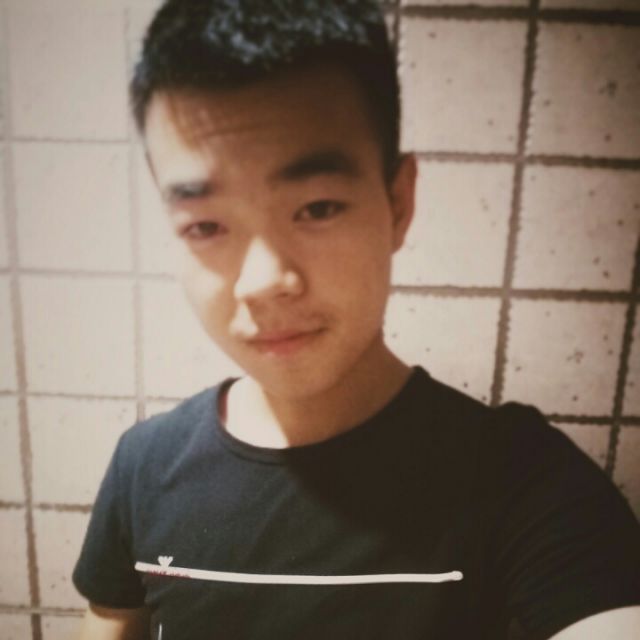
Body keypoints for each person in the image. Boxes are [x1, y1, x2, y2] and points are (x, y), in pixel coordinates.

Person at [73, 1, 640, 638]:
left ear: (398, 203)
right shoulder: (144, 466)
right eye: (205, 225)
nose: (263, 283)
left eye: (317, 208)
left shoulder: (520, 480)